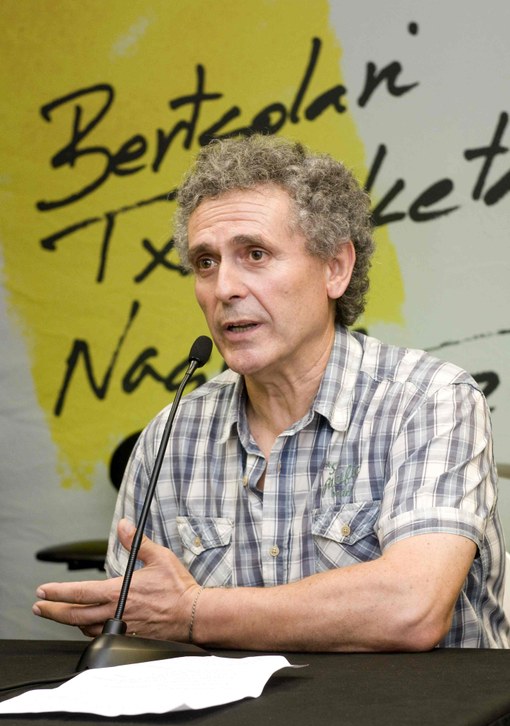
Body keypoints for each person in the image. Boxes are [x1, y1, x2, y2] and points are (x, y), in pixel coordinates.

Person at [33, 134, 509, 651]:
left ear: (335, 268)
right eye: (206, 263)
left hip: (418, 705)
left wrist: (193, 612)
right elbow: (136, 629)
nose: (224, 289)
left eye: (255, 254)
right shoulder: (171, 436)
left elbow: (412, 609)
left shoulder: (430, 400)